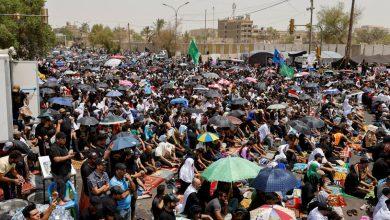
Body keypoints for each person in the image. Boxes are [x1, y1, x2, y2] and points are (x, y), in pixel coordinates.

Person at [49, 132, 74, 205]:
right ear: (57, 139)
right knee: (58, 186)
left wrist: (69, 153)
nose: (64, 139)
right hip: (57, 172)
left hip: (66, 171)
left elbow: (65, 155)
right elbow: (56, 159)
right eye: (62, 138)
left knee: (63, 186)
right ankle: (58, 200)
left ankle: (62, 197)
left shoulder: (63, 146)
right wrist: (68, 157)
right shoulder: (54, 148)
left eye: (65, 138)